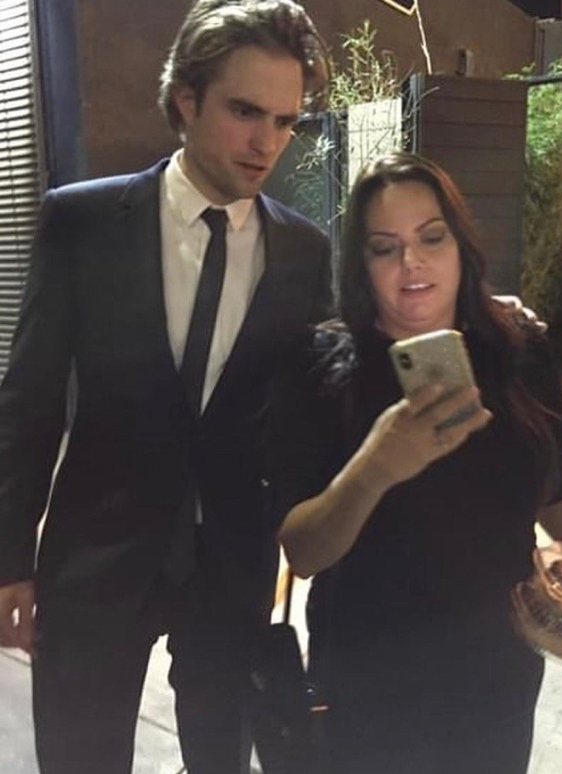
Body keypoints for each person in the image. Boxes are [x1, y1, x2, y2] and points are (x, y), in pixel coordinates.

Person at [0, 2, 332, 773]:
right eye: (245, 111)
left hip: (232, 566)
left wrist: (478, 324)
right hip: (97, 554)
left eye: (285, 121)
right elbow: (29, 399)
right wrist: (10, 556)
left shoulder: (303, 251)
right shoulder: (83, 222)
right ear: (186, 99)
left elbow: (321, 389)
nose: (267, 142)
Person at [268, 153, 562, 774]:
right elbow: (305, 551)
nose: (411, 262)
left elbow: (558, 487)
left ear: (461, 245)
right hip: (370, 683)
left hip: (498, 675)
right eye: (384, 248)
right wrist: (376, 465)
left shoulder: (520, 350)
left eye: (431, 238)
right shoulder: (325, 367)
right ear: (361, 265)